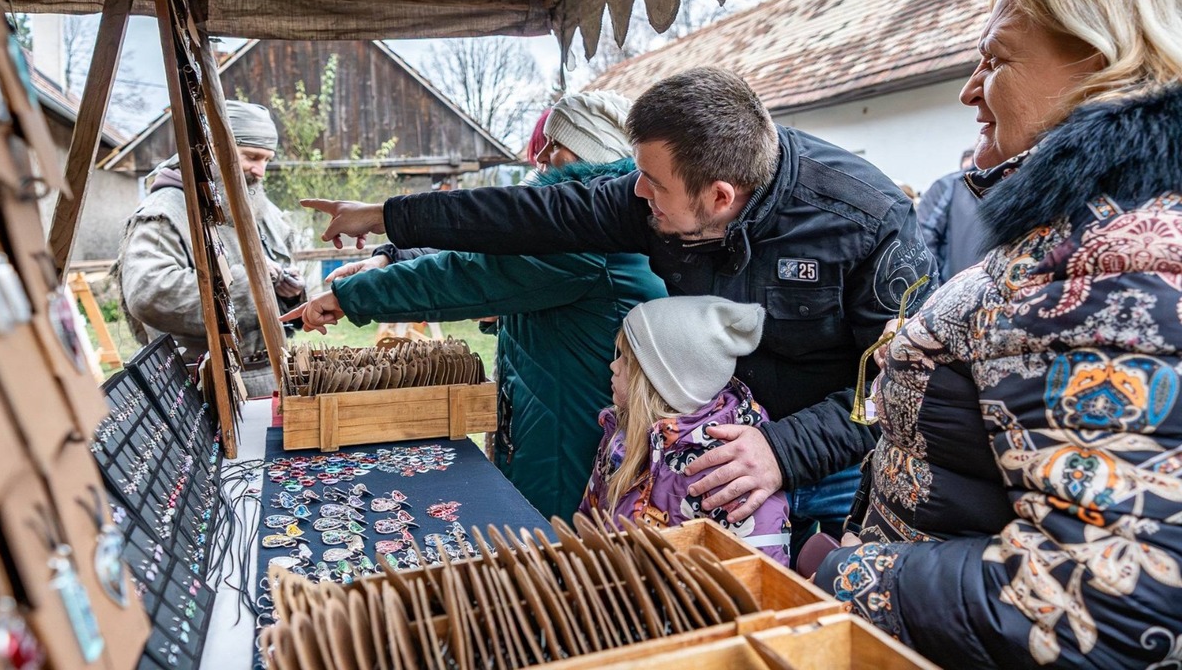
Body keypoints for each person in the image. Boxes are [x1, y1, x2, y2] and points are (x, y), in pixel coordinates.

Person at [297, 67, 938, 550]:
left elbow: (905, 385)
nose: (635, 192)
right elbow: (533, 215)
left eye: (651, 184)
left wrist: (785, 451)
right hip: (701, 449)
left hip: (816, 463)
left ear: (719, 196)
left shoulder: (869, 221)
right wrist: (388, 217)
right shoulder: (658, 192)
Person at [812, 0, 1182, 669]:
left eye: (996, 61)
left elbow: (1100, 601)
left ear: (1104, 59)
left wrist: (846, 574)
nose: (968, 90)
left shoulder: (1118, 259)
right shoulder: (1083, 229)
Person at [284, 91, 667, 519]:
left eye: (556, 144)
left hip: (572, 442)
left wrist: (353, 295)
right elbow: (485, 247)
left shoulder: (586, 241)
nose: (540, 154)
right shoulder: (579, 230)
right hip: (553, 420)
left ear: (593, 152)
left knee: (554, 552)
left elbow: (469, 276)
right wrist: (385, 258)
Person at [579, 296, 791, 564]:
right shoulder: (621, 434)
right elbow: (590, 520)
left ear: (659, 383)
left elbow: (757, 578)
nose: (613, 365)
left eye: (626, 360)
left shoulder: (733, 471)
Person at [116, 101, 304, 397]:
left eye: (267, 159)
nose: (261, 171)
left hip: (271, 381)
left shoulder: (263, 210)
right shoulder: (166, 211)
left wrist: (289, 291)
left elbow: (281, 272)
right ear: (212, 150)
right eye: (251, 157)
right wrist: (249, 280)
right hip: (203, 391)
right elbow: (149, 293)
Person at [917, 148, 985, 283]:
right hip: (957, 292)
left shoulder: (1022, 184)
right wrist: (937, 290)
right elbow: (920, 239)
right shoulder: (952, 185)